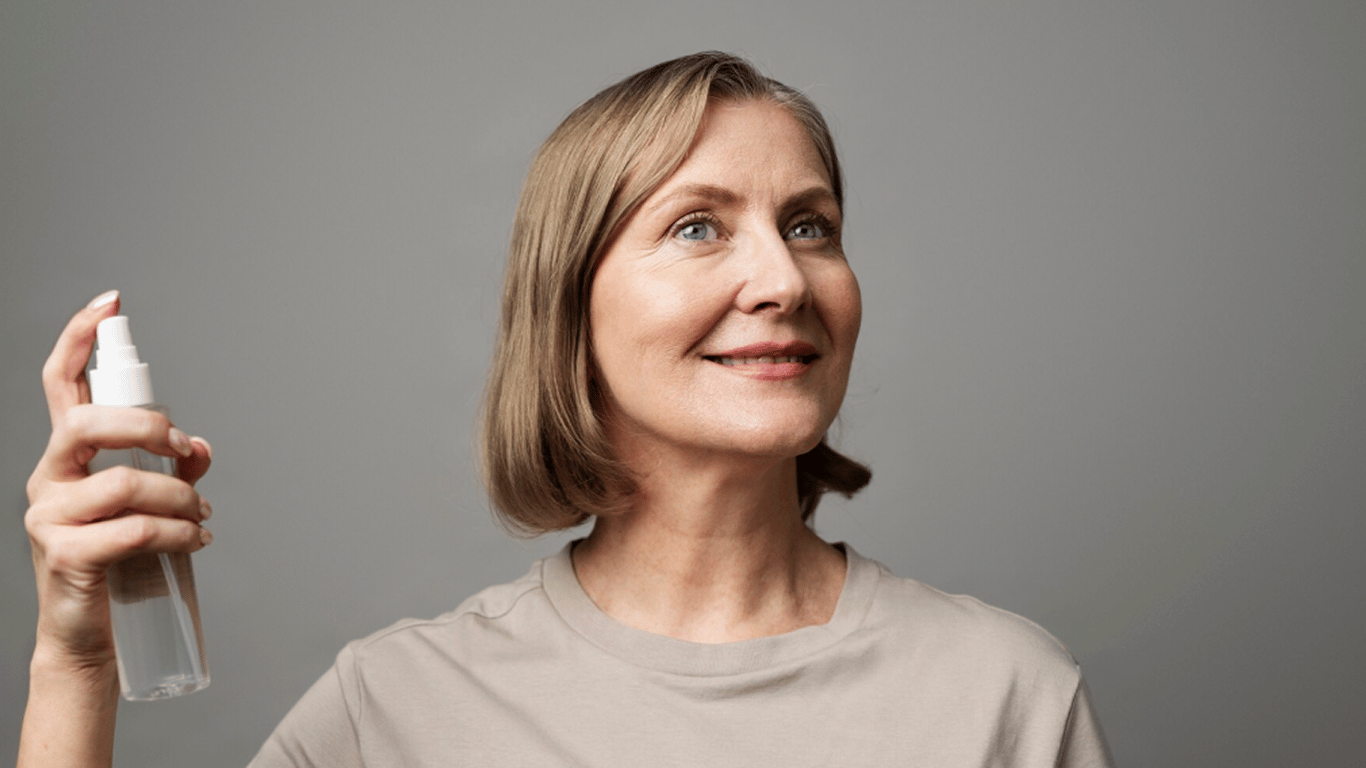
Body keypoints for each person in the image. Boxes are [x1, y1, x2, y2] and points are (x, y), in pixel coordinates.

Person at [20, 52, 1115, 767]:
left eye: (809, 225)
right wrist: (75, 668)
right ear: (568, 306)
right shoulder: (394, 712)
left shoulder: (1006, 696)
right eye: (697, 226)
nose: (783, 279)